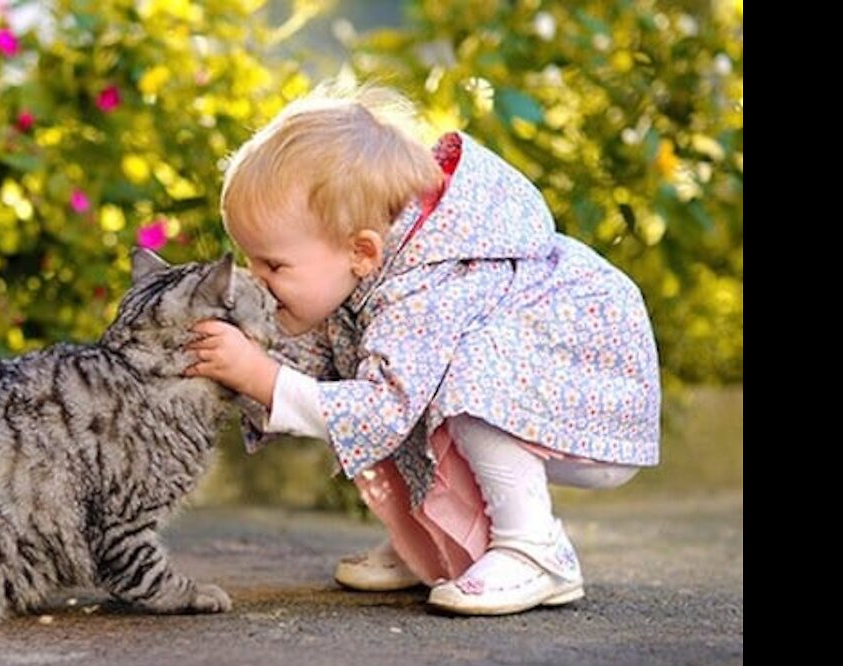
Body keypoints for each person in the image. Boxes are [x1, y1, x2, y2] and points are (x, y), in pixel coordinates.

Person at [185, 83, 660, 615]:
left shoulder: (426, 285)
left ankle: (535, 549)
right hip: (537, 384)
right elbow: (327, 370)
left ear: (361, 250)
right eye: (250, 262)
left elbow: (383, 409)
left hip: (590, 387)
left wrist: (262, 378)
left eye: (273, 265)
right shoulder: (369, 272)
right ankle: (434, 547)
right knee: (395, 370)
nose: (257, 280)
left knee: (455, 378)